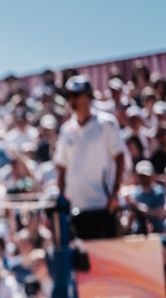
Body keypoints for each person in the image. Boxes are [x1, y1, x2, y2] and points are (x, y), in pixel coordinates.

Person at [54, 74, 126, 240]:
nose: (72, 100)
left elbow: (120, 157)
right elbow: (62, 167)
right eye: (69, 95)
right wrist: (61, 198)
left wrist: (115, 192)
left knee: (105, 254)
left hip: (102, 205)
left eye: (76, 95)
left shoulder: (106, 123)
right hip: (76, 207)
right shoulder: (66, 130)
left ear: (89, 96)